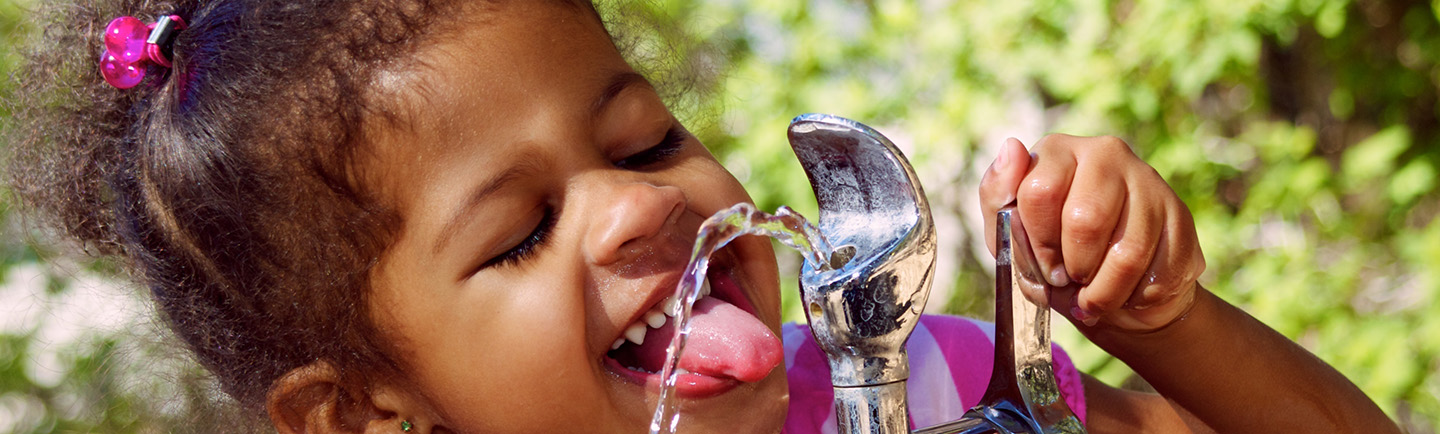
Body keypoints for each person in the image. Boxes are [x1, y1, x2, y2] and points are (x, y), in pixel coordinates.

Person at [2, 0, 1399, 432]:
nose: (637, 206)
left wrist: (1168, 326)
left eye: (645, 136)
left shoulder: (942, 387)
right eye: (519, 234)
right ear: (365, 409)